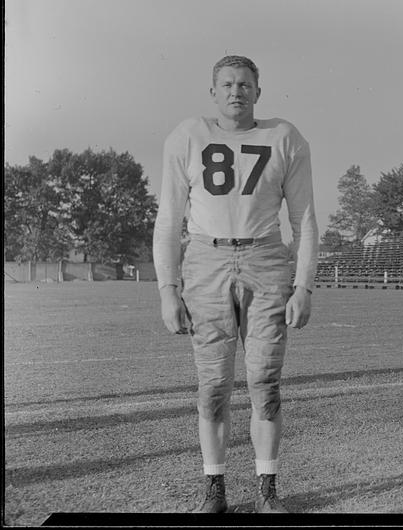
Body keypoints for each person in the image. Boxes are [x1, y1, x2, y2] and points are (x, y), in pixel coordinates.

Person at [153, 55, 319, 514]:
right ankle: (216, 490)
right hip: (206, 259)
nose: (235, 92)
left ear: (258, 92)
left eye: (244, 84)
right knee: (213, 385)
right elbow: (168, 219)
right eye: (226, 84)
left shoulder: (284, 137)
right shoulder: (188, 136)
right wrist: (168, 289)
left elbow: (303, 219)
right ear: (212, 92)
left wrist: (303, 285)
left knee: (264, 380)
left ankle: (267, 492)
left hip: (266, 257)